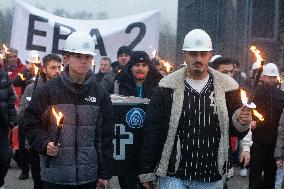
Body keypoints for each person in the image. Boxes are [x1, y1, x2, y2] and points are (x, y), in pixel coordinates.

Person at [139, 29, 251, 189]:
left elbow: (236, 132)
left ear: (210, 55)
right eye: (193, 54)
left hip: (212, 175)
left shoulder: (228, 87)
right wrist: (147, 171)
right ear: (184, 54)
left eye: (203, 54)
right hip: (174, 174)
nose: (198, 58)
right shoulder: (166, 87)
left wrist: (242, 121)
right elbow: (152, 131)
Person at [24, 31, 114, 189]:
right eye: (78, 56)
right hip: (55, 177)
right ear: (66, 58)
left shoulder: (100, 93)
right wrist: (45, 144)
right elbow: (31, 125)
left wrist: (104, 174)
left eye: (87, 57)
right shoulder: (47, 91)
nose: (83, 61)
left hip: (89, 178)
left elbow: (105, 136)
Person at [113, 51, 162, 189]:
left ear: (149, 68)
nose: (140, 68)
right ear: (130, 67)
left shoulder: (159, 87)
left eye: (144, 65)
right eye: (137, 65)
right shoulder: (118, 84)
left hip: (148, 147)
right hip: (127, 147)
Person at [18, 54, 62, 189]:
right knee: (39, 182)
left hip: (58, 142)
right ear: (44, 69)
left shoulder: (65, 88)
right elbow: (21, 114)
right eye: (53, 68)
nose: (57, 71)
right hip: (37, 143)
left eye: (59, 67)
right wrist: (36, 108)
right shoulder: (32, 88)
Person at [249, 63, 284, 189]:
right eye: (269, 77)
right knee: (255, 173)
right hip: (257, 140)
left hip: (274, 142)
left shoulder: (281, 95)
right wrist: (251, 122)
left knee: (271, 174)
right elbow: (248, 111)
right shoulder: (255, 93)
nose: (272, 80)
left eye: (274, 77)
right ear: (263, 77)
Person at [16, 50, 41, 180]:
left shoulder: (41, 75)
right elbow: (15, 82)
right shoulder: (24, 75)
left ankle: (36, 169)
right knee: (22, 144)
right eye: (31, 63)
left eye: (36, 63)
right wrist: (25, 72)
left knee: (33, 145)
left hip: (36, 115)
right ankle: (24, 170)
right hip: (24, 113)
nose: (34, 66)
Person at [0, 69, 17, 189]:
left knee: (5, 156)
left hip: (2, 124)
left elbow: (11, 97)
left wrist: (12, 118)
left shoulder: (3, 76)